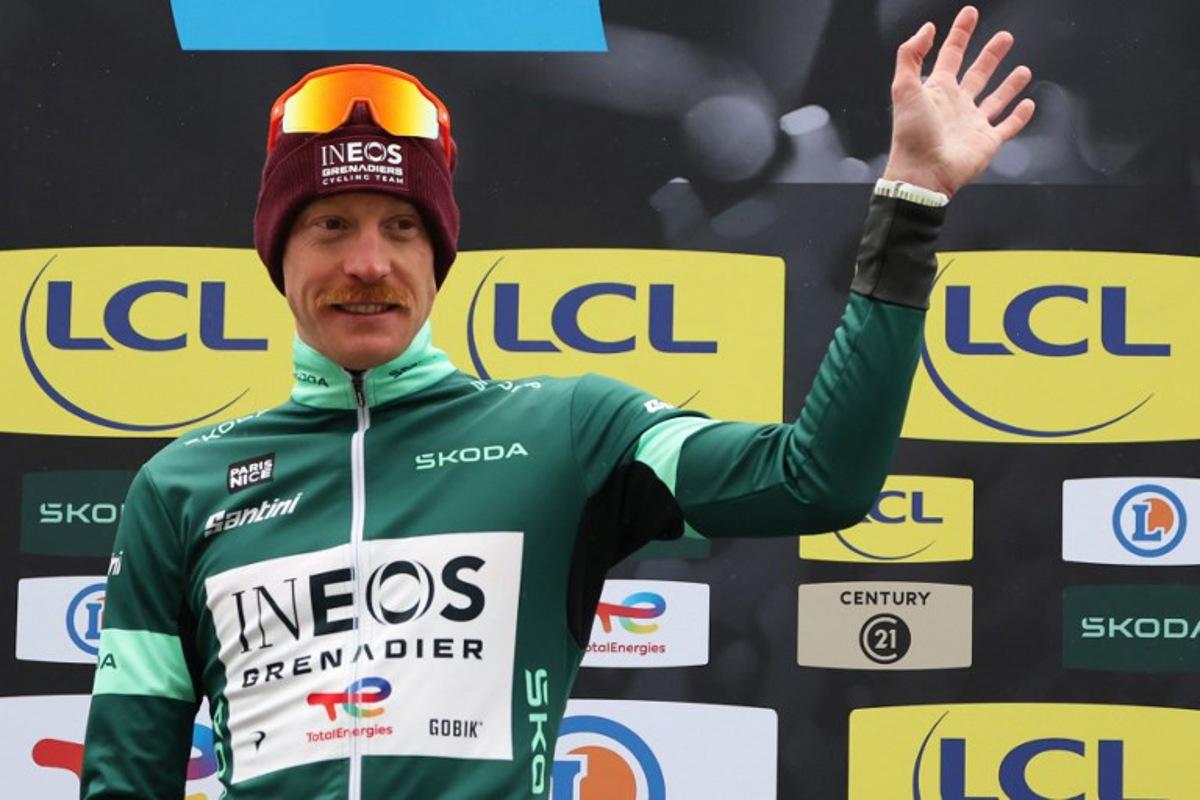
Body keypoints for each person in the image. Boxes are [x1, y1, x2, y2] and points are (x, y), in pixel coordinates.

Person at [80, 6, 1033, 798]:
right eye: (330, 226)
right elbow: (126, 779)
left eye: (402, 229)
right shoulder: (181, 486)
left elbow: (819, 479)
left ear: (439, 258)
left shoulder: (564, 431)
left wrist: (909, 207)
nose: (367, 263)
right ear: (277, 254)